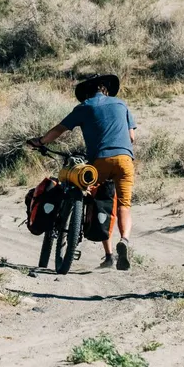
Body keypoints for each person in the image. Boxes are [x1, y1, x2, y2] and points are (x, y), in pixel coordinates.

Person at [30, 74, 137, 271]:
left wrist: (41, 141)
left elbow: (59, 129)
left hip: (99, 161)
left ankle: (109, 255)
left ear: (87, 92)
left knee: (97, 201)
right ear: (105, 88)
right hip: (125, 160)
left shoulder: (84, 107)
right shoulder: (121, 104)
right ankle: (125, 240)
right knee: (123, 206)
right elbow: (132, 136)